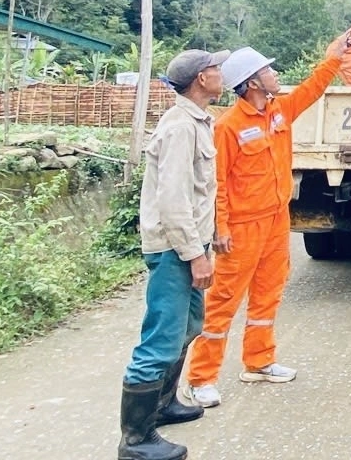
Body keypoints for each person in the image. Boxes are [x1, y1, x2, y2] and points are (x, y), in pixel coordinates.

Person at [183, 30, 351, 407]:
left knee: (268, 292)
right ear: (252, 83)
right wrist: (220, 228)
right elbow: (217, 182)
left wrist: (335, 58)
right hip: (241, 228)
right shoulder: (228, 127)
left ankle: (259, 361)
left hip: (276, 221)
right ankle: (201, 378)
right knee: (223, 300)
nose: (275, 75)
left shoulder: (278, 112)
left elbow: (311, 90)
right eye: (268, 70)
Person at [118, 48, 228, 460]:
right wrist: (194, 254)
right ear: (201, 79)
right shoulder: (181, 127)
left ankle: (163, 405)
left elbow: (198, 193)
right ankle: (136, 440)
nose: (221, 74)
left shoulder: (198, 121)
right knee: (161, 339)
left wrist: (207, 240)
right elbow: (173, 199)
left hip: (189, 244)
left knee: (188, 326)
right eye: (216, 69)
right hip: (174, 249)